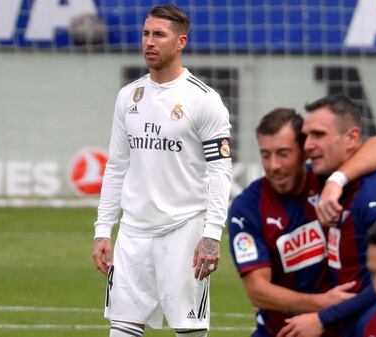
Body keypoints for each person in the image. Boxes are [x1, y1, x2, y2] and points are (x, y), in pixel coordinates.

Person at [91, 4, 232, 337]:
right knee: (123, 327)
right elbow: (116, 167)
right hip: (133, 232)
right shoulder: (129, 97)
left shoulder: (204, 100)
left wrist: (211, 234)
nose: (149, 42)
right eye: (145, 34)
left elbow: (220, 172)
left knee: (189, 330)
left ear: (181, 42)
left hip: (184, 229)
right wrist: (102, 229)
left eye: (159, 35)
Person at [228, 107, 376, 336]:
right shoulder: (247, 207)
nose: (273, 165)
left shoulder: (327, 180)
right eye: (265, 154)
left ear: (304, 151)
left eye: (283, 153)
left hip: (337, 328)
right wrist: (322, 304)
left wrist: (335, 182)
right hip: (280, 332)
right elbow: (258, 291)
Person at [277, 95, 376, 337]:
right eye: (305, 136)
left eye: (318, 135)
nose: (308, 145)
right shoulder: (330, 183)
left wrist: (322, 318)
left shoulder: (374, 199)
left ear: (352, 138)